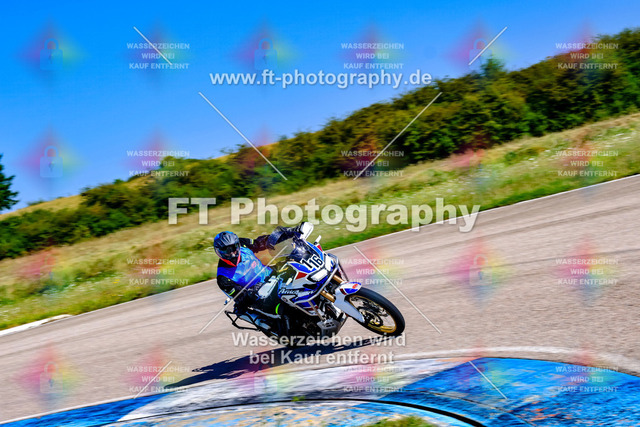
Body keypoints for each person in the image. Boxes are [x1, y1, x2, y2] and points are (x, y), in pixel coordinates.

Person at [213, 226, 301, 326]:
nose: (232, 254)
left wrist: (288, 233)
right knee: (286, 308)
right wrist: (252, 291)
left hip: (272, 275)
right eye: (226, 251)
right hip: (259, 297)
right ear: (218, 252)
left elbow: (260, 242)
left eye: (233, 248)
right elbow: (242, 297)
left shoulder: (242, 243)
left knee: (299, 271)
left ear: (238, 245)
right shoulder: (223, 279)